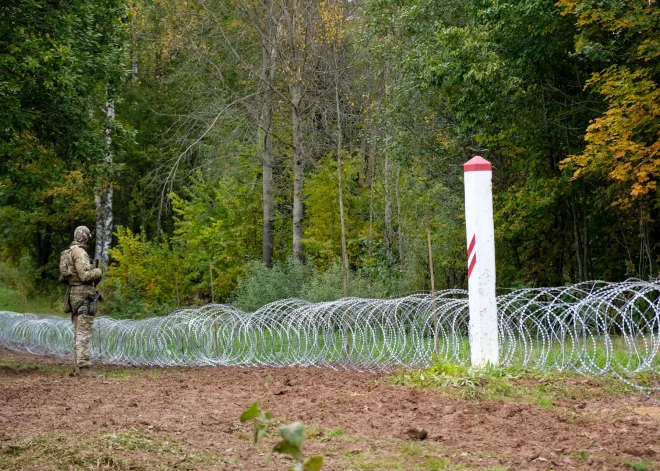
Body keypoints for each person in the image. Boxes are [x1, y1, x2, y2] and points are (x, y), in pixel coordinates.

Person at [64, 226, 103, 377]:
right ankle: (84, 367)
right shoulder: (80, 252)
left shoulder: (68, 252)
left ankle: (77, 366)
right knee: (84, 331)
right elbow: (84, 275)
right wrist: (99, 272)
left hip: (73, 293)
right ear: (85, 237)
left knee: (78, 330)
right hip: (83, 294)